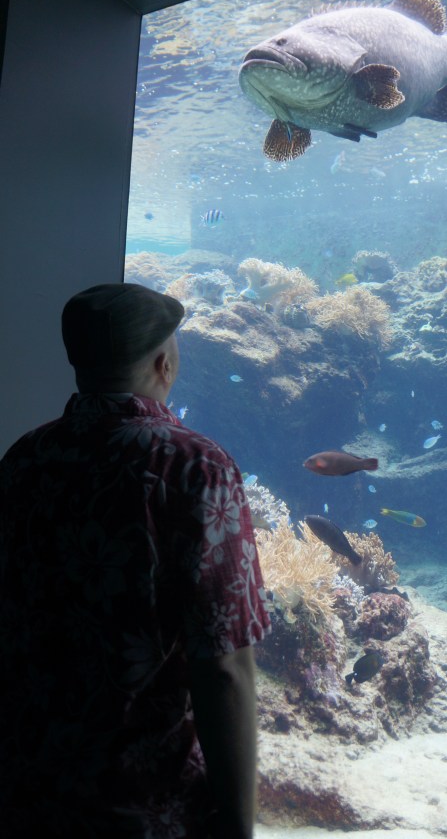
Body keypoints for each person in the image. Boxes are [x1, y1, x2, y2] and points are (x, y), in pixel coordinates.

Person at [0, 283, 271, 839]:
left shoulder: (25, 457)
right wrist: (238, 826)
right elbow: (222, 668)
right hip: (145, 807)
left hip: (28, 790)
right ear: (164, 362)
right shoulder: (196, 467)